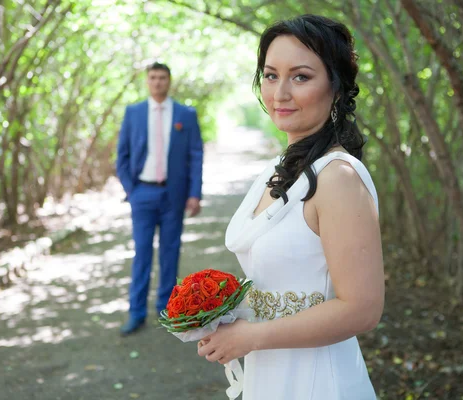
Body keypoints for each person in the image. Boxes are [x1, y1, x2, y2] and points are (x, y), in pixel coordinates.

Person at [197, 15, 384, 399]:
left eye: (300, 76)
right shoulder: (281, 167)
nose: (280, 92)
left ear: (335, 87)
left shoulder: (338, 179)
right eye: (270, 75)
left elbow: (362, 308)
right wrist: (219, 313)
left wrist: (251, 337)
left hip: (318, 380)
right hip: (271, 372)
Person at [116, 62, 204, 336]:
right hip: (142, 192)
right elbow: (122, 155)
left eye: (162, 77)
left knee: (170, 252)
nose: (157, 82)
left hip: (173, 194)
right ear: (147, 81)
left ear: (169, 81)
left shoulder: (185, 114)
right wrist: (132, 190)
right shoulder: (134, 112)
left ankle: (167, 310)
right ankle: (136, 313)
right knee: (142, 252)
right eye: (152, 77)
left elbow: (195, 155)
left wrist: (194, 194)